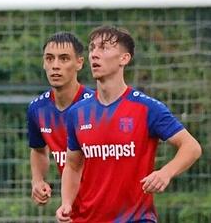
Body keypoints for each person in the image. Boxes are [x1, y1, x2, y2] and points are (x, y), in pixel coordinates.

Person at [55, 26, 202, 223]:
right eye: (92, 48)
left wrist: (166, 172)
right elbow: (72, 165)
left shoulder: (147, 108)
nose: (94, 54)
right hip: (87, 218)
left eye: (104, 48)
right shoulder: (77, 113)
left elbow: (191, 147)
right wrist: (66, 202)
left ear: (124, 59)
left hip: (137, 218)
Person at [26, 32, 93, 206]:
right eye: (49, 58)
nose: (55, 66)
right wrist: (38, 180)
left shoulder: (96, 107)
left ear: (79, 63)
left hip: (108, 207)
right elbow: (39, 150)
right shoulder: (37, 109)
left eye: (64, 59)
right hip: (71, 207)